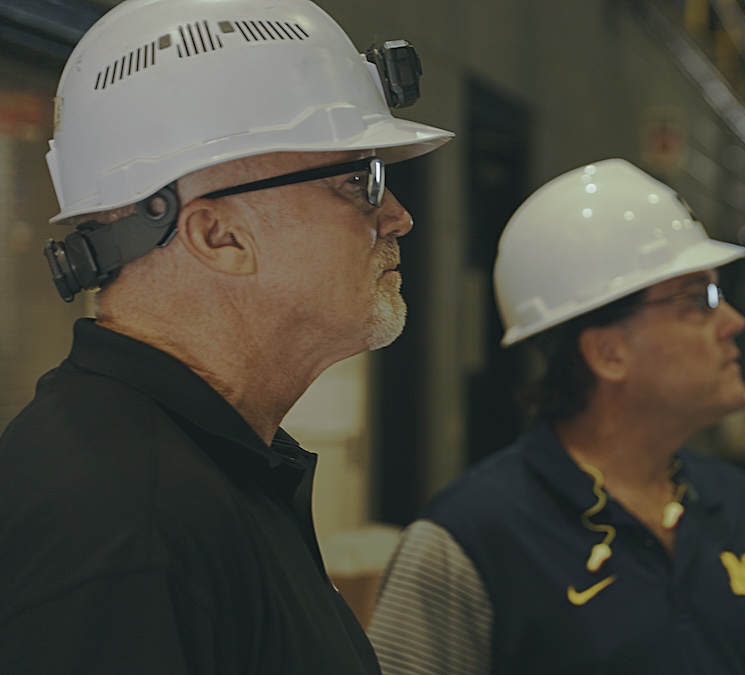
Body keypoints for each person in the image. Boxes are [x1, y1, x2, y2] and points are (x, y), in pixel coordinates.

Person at [0, 0, 452, 672]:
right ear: (218, 236)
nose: (398, 216)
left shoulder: (206, 468)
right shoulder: (120, 527)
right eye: (360, 179)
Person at [369, 159, 745, 675]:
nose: (733, 321)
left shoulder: (736, 503)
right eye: (698, 300)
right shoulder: (469, 540)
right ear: (607, 351)